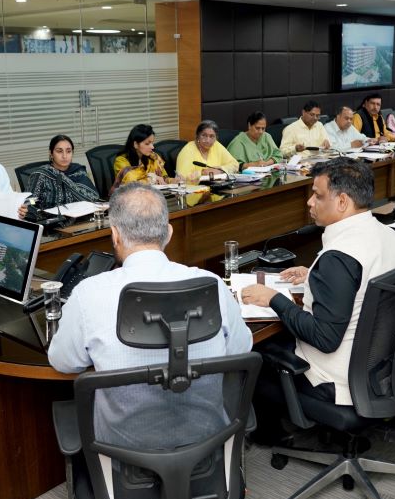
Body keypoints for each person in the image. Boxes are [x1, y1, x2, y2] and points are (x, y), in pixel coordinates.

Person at [48, 182, 252, 448]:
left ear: (115, 235)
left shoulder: (88, 294)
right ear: (169, 233)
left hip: (122, 450)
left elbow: (64, 362)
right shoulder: (211, 285)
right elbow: (240, 348)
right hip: (207, 439)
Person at [241, 158, 395, 406]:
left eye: (318, 196)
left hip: (334, 380)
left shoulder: (338, 258)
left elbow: (325, 338)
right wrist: (314, 275)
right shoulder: (394, 238)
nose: (310, 202)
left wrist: (272, 298)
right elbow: (361, 283)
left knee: (252, 355)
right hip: (378, 367)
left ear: (342, 202)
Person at [23, 134, 99, 208]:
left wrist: (63, 178)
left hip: (80, 215)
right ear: (51, 153)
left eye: (68, 151)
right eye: (59, 151)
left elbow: (93, 198)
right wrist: (35, 206)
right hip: (49, 216)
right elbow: (29, 202)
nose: (64, 156)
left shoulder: (78, 171)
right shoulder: (41, 174)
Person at [111, 124, 170, 192]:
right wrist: (153, 178)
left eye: (152, 143)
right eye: (147, 144)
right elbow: (131, 181)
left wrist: (173, 181)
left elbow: (164, 177)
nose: (152, 147)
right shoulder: (121, 161)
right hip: (129, 196)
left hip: (151, 195)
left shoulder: (153, 157)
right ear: (135, 144)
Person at [176, 119, 240, 179]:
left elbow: (235, 165)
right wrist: (202, 173)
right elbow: (181, 178)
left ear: (216, 138)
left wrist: (220, 170)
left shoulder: (216, 145)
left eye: (212, 136)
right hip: (195, 187)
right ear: (197, 136)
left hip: (216, 185)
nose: (208, 140)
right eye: (204, 135)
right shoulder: (188, 150)